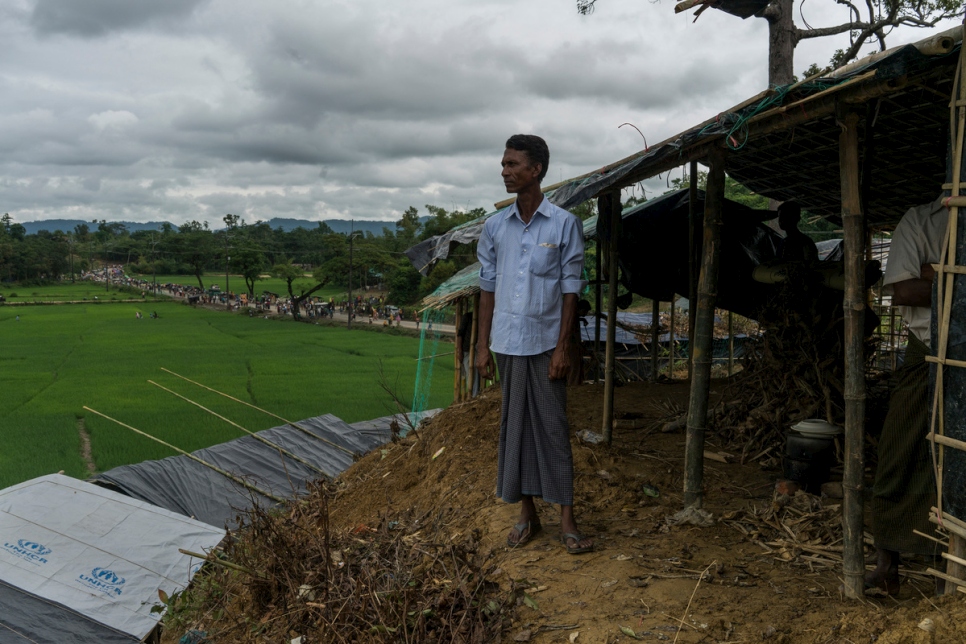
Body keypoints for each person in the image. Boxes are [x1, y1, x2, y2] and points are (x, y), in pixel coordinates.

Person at [476, 134, 592, 554]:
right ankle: (527, 515)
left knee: (553, 427)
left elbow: (570, 291)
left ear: (536, 170)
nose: (505, 171)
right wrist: (482, 346)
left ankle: (567, 518)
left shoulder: (563, 224)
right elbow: (487, 289)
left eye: (512, 164)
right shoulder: (494, 227)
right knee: (516, 428)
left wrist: (563, 348)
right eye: (504, 165)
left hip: (545, 344)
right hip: (507, 343)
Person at [866, 195, 945, 595]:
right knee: (900, 452)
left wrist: (937, 275)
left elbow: (923, 283)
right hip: (927, 351)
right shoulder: (919, 220)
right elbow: (905, 291)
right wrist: (953, 279)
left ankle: (947, 564)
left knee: (950, 465)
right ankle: (887, 563)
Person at [456, 310, 480, 397]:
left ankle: (475, 394)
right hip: (466, 350)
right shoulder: (467, 317)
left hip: (476, 350)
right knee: (469, 373)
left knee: (475, 372)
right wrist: (459, 351)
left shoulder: (481, 317)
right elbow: (460, 335)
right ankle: (472, 395)